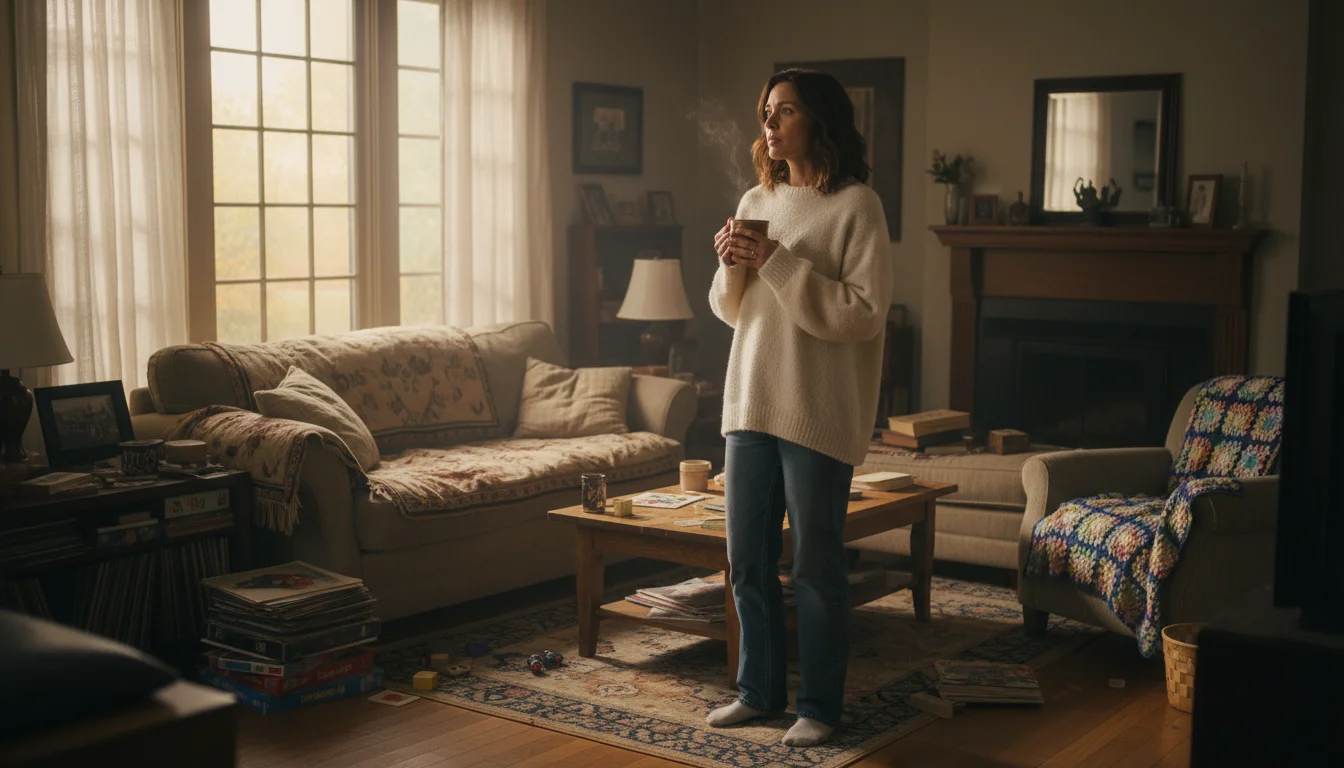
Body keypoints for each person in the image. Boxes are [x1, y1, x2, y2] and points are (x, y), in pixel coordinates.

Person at [706, 68, 893, 747]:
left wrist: (779, 262)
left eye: (784, 111)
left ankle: (819, 704)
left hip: (815, 410)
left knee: (814, 566)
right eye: (765, 111)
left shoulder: (857, 206)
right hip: (749, 403)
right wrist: (731, 262)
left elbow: (863, 316)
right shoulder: (757, 196)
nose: (770, 123)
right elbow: (731, 310)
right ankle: (757, 692)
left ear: (819, 119)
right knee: (747, 561)